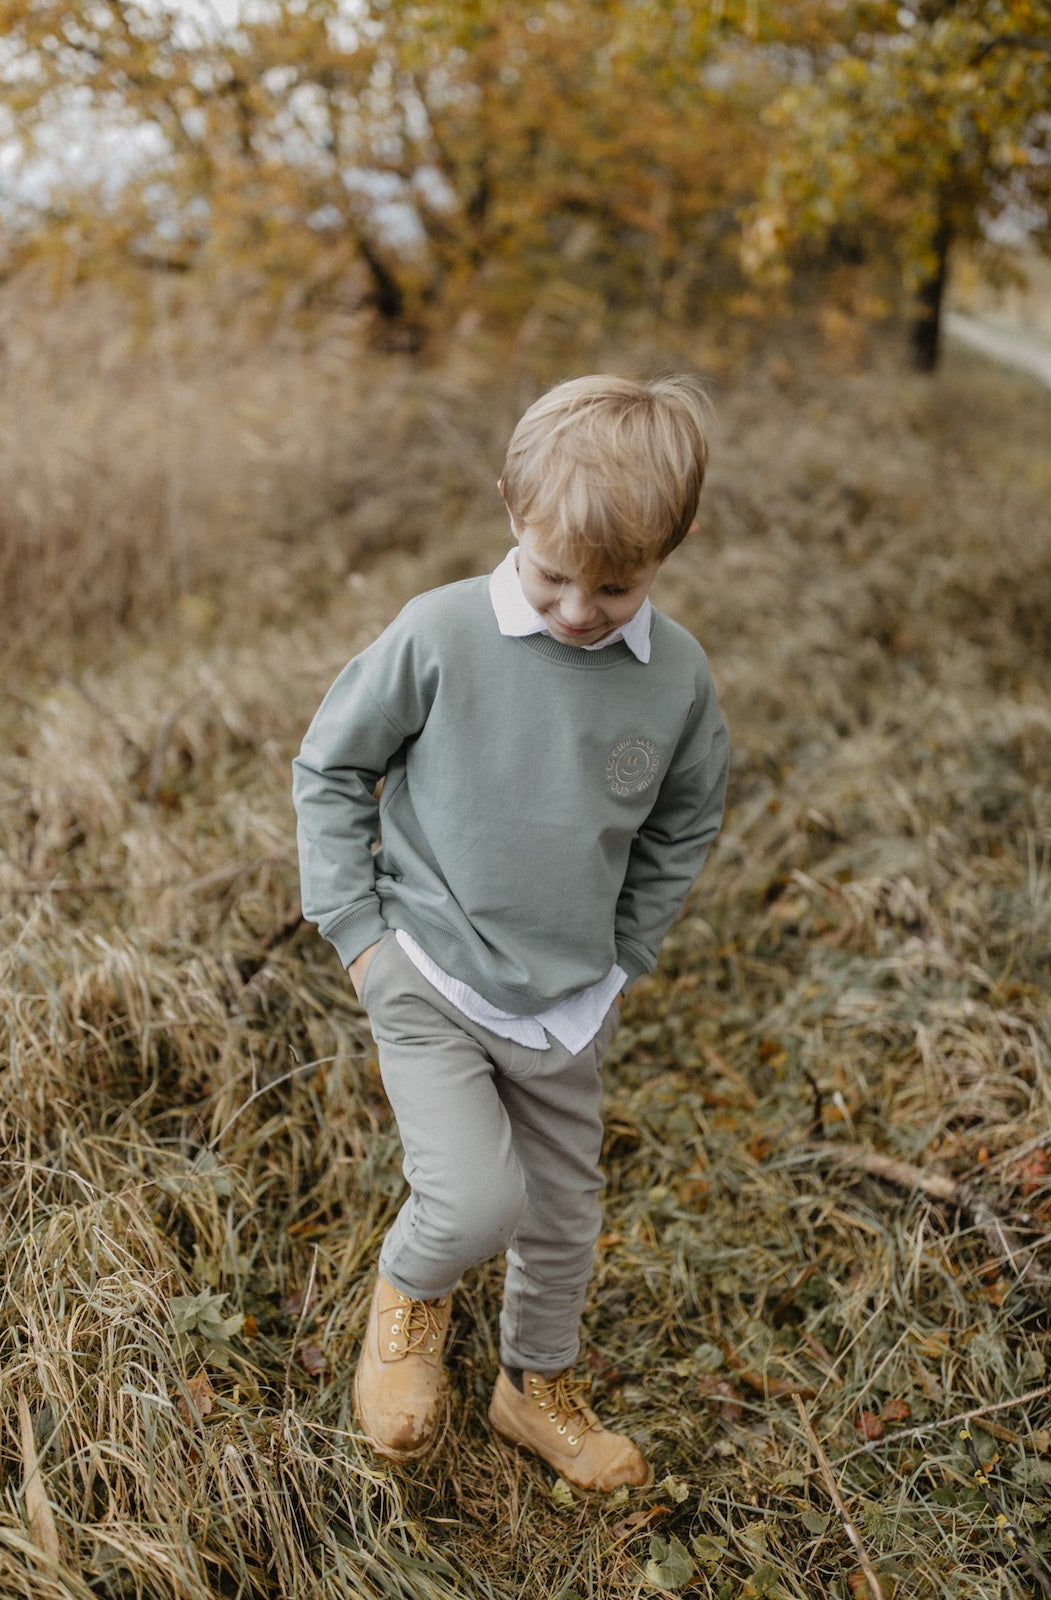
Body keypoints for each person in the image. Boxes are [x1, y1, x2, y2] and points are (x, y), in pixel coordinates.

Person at [292, 374, 729, 1493]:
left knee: (563, 1214)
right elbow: (333, 765)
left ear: (667, 554)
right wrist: (359, 932)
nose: (577, 610)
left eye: (615, 587)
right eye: (551, 576)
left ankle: (532, 1386)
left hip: (566, 1002)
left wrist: (624, 953)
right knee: (475, 1199)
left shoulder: (674, 678)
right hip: (427, 975)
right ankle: (408, 1300)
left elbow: (684, 819)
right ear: (507, 510)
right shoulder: (440, 633)